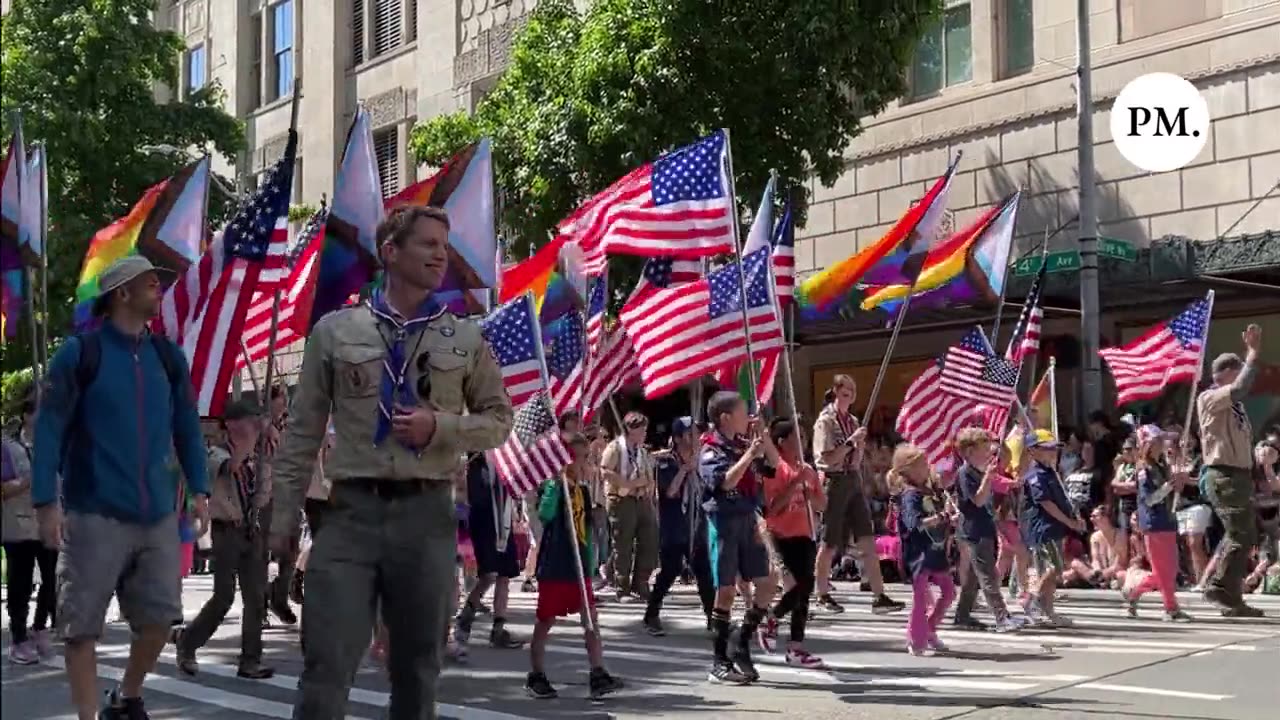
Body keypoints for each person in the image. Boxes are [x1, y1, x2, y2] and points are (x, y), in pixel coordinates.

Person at [268, 205, 514, 720]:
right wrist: (285, 516)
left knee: (417, 671)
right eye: (427, 243)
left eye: (444, 245)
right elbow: (302, 433)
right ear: (390, 252)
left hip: (426, 517)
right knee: (326, 664)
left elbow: (499, 421)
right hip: (350, 514)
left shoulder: (464, 338)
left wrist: (441, 427)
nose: (440, 254)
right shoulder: (334, 333)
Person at [32, 255, 210, 720]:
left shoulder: (168, 358)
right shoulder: (78, 354)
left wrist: (200, 488)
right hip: (93, 513)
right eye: (148, 281)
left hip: (156, 517)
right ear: (120, 294)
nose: (159, 285)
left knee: (158, 622)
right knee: (81, 629)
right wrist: (46, 503)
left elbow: (188, 427)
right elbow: (48, 429)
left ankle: (126, 695)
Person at [175, 398, 275, 678]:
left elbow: (266, 486)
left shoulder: (258, 456)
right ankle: (188, 642)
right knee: (224, 596)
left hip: (251, 529)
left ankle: (250, 660)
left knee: (256, 596)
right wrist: (253, 438)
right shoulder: (216, 454)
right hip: (226, 530)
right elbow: (230, 467)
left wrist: (268, 440)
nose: (254, 425)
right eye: (249, 421)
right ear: (231, 425)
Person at [525, 433, 624, 700]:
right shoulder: (554, 488)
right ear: (567, 461)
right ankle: (536, 674)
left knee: (591, 619)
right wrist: (557, 486)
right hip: (556, 567)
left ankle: (598, 672)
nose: (587, 464)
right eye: (582, 458)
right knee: (545, 620)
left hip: (579, 567)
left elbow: (586, 533)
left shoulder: (581, 490)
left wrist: (590, 565)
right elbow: (544, 515)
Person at [699, 391, 777, 685]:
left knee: (767, 583)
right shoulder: (710, 450)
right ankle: (719, 662)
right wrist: (749, 454)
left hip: (747, 519)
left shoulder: (744, 444)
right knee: (727, 592)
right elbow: (724, 482)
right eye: (744, 412)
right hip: (724, 522)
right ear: (725, 418)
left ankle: (742, 641)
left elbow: (772, 466)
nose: (748, 417)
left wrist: (763, 439)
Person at [811, 376, 904, 615]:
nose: (850, 395)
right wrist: (851, 444)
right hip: (835, 481)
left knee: (867, 539)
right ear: (835, 392)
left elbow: (857, 458)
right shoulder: (825, 422)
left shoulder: (852, 421)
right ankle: (821, 592)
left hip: (853, 480)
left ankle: (879, 595)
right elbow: (825, 458)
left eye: (853, 391)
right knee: (829, 541)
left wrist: (859, 449)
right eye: (845, 391)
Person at [1196, 323, 1263, 616]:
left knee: (1245, 535)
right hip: (1223, 474)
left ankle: (1231, 598)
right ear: (1226, 374)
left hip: (1239, 476)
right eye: (1238, 372)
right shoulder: (1210, 398)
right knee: (1240, 534)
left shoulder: (1235, 407)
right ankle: (1220, 587)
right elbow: (1239, 388)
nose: (1241, 381)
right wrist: (1253, 353)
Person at [758, 417, 827, 668]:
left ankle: (795, 648)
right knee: (800, 586)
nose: (803, 442)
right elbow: (773, 508)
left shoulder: (808, 468)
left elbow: (822, 505)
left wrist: (810, 493)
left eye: (805, 438)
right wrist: (795, 483)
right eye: (797, 438)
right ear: (782, 442)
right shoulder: (776, 469)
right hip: (782, 535)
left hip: (805, 534)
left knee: (804, 593)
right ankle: (772, 618)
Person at [3, 390, 59, 665]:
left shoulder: (53, 445)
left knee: (52, 579)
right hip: (18, 525)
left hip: (47, 523)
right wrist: (29, 480)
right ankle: (18, 639)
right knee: (20, 584)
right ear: (27, 416)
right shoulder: (8, 446)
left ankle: (39, 628)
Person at [644, 417, 714, 636]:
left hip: (696, 524)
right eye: (690, 434)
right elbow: (670, 492)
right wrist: (685, 469)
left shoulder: (702, 459)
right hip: (674, 525)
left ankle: (714, 619)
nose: (696, 438)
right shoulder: (666, 462)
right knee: (670, 571)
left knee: (704, 572)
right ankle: (651, 614)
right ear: (677, 438)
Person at [454, 451, 526, 660]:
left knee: (504, 575)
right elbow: (474, 493)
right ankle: (465, 618)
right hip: (484, 521)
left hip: (503, 518)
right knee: (488, 575)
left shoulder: (507, 454)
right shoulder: (475, 459)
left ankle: (499, 629)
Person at [952, 428, 1023, 633]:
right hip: (974, 530)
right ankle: (1001, 617)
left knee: (973, 579)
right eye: (984, 448)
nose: (989, 451)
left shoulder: (979, 471)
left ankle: (962, 616)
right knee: (988, 576)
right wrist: (988, 479)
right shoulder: (965, 473)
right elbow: (978, 500)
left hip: (984, 528)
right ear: (969, 451)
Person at [1120, 425, 1194, 622]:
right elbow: (1150, 499)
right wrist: (1170, 485)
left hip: (1167, 521)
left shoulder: (1161, 466)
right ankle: (1171, 609)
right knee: (1165, 570)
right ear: (1148, 444)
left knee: (1168, 569)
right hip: (1154, 523)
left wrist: (1176, 484)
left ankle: (1134, 592)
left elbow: (1168, 492)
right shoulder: (1144, 470)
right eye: (1159, 440)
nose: (1163, 443)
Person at [891, 444, 955, 656]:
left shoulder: (930, 491)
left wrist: (949, 517)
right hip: (918, 553)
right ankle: (915, 638)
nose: (927, 468)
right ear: (908, 470)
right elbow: (914, 523)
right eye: (921, 465)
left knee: (948, 593)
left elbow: (939, 517)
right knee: (920, 597)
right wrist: (940, 518)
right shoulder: (910, 495)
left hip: (935, 551)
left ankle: (929, 629)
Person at [1020, 429, 1084, 627]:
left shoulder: (1051, 472)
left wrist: (1075, 517)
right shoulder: (1035, 475)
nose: (1052, 453)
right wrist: (1070, 522)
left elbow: (1062, 499)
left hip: (1055, 528)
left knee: (1052, 572)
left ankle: (1049, 612)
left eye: (1054, 449)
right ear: (1032, 451)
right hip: (1042, 528)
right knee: (1051, 568)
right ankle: (1032, 601)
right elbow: (1046, 503)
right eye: (1046, 449)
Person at [600, 411, 659, 603]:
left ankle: (641, 584)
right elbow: (605, 471)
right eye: (639, 429)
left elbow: (648, 473)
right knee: (623, 544)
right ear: (629, 430)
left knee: (648, 541)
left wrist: (648, 486)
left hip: (642, 500)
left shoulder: (641, 450)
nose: (643, 433)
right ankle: (622, 587)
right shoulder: (616, 447)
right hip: (621, 500)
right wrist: (628, 483)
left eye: (644, 429)